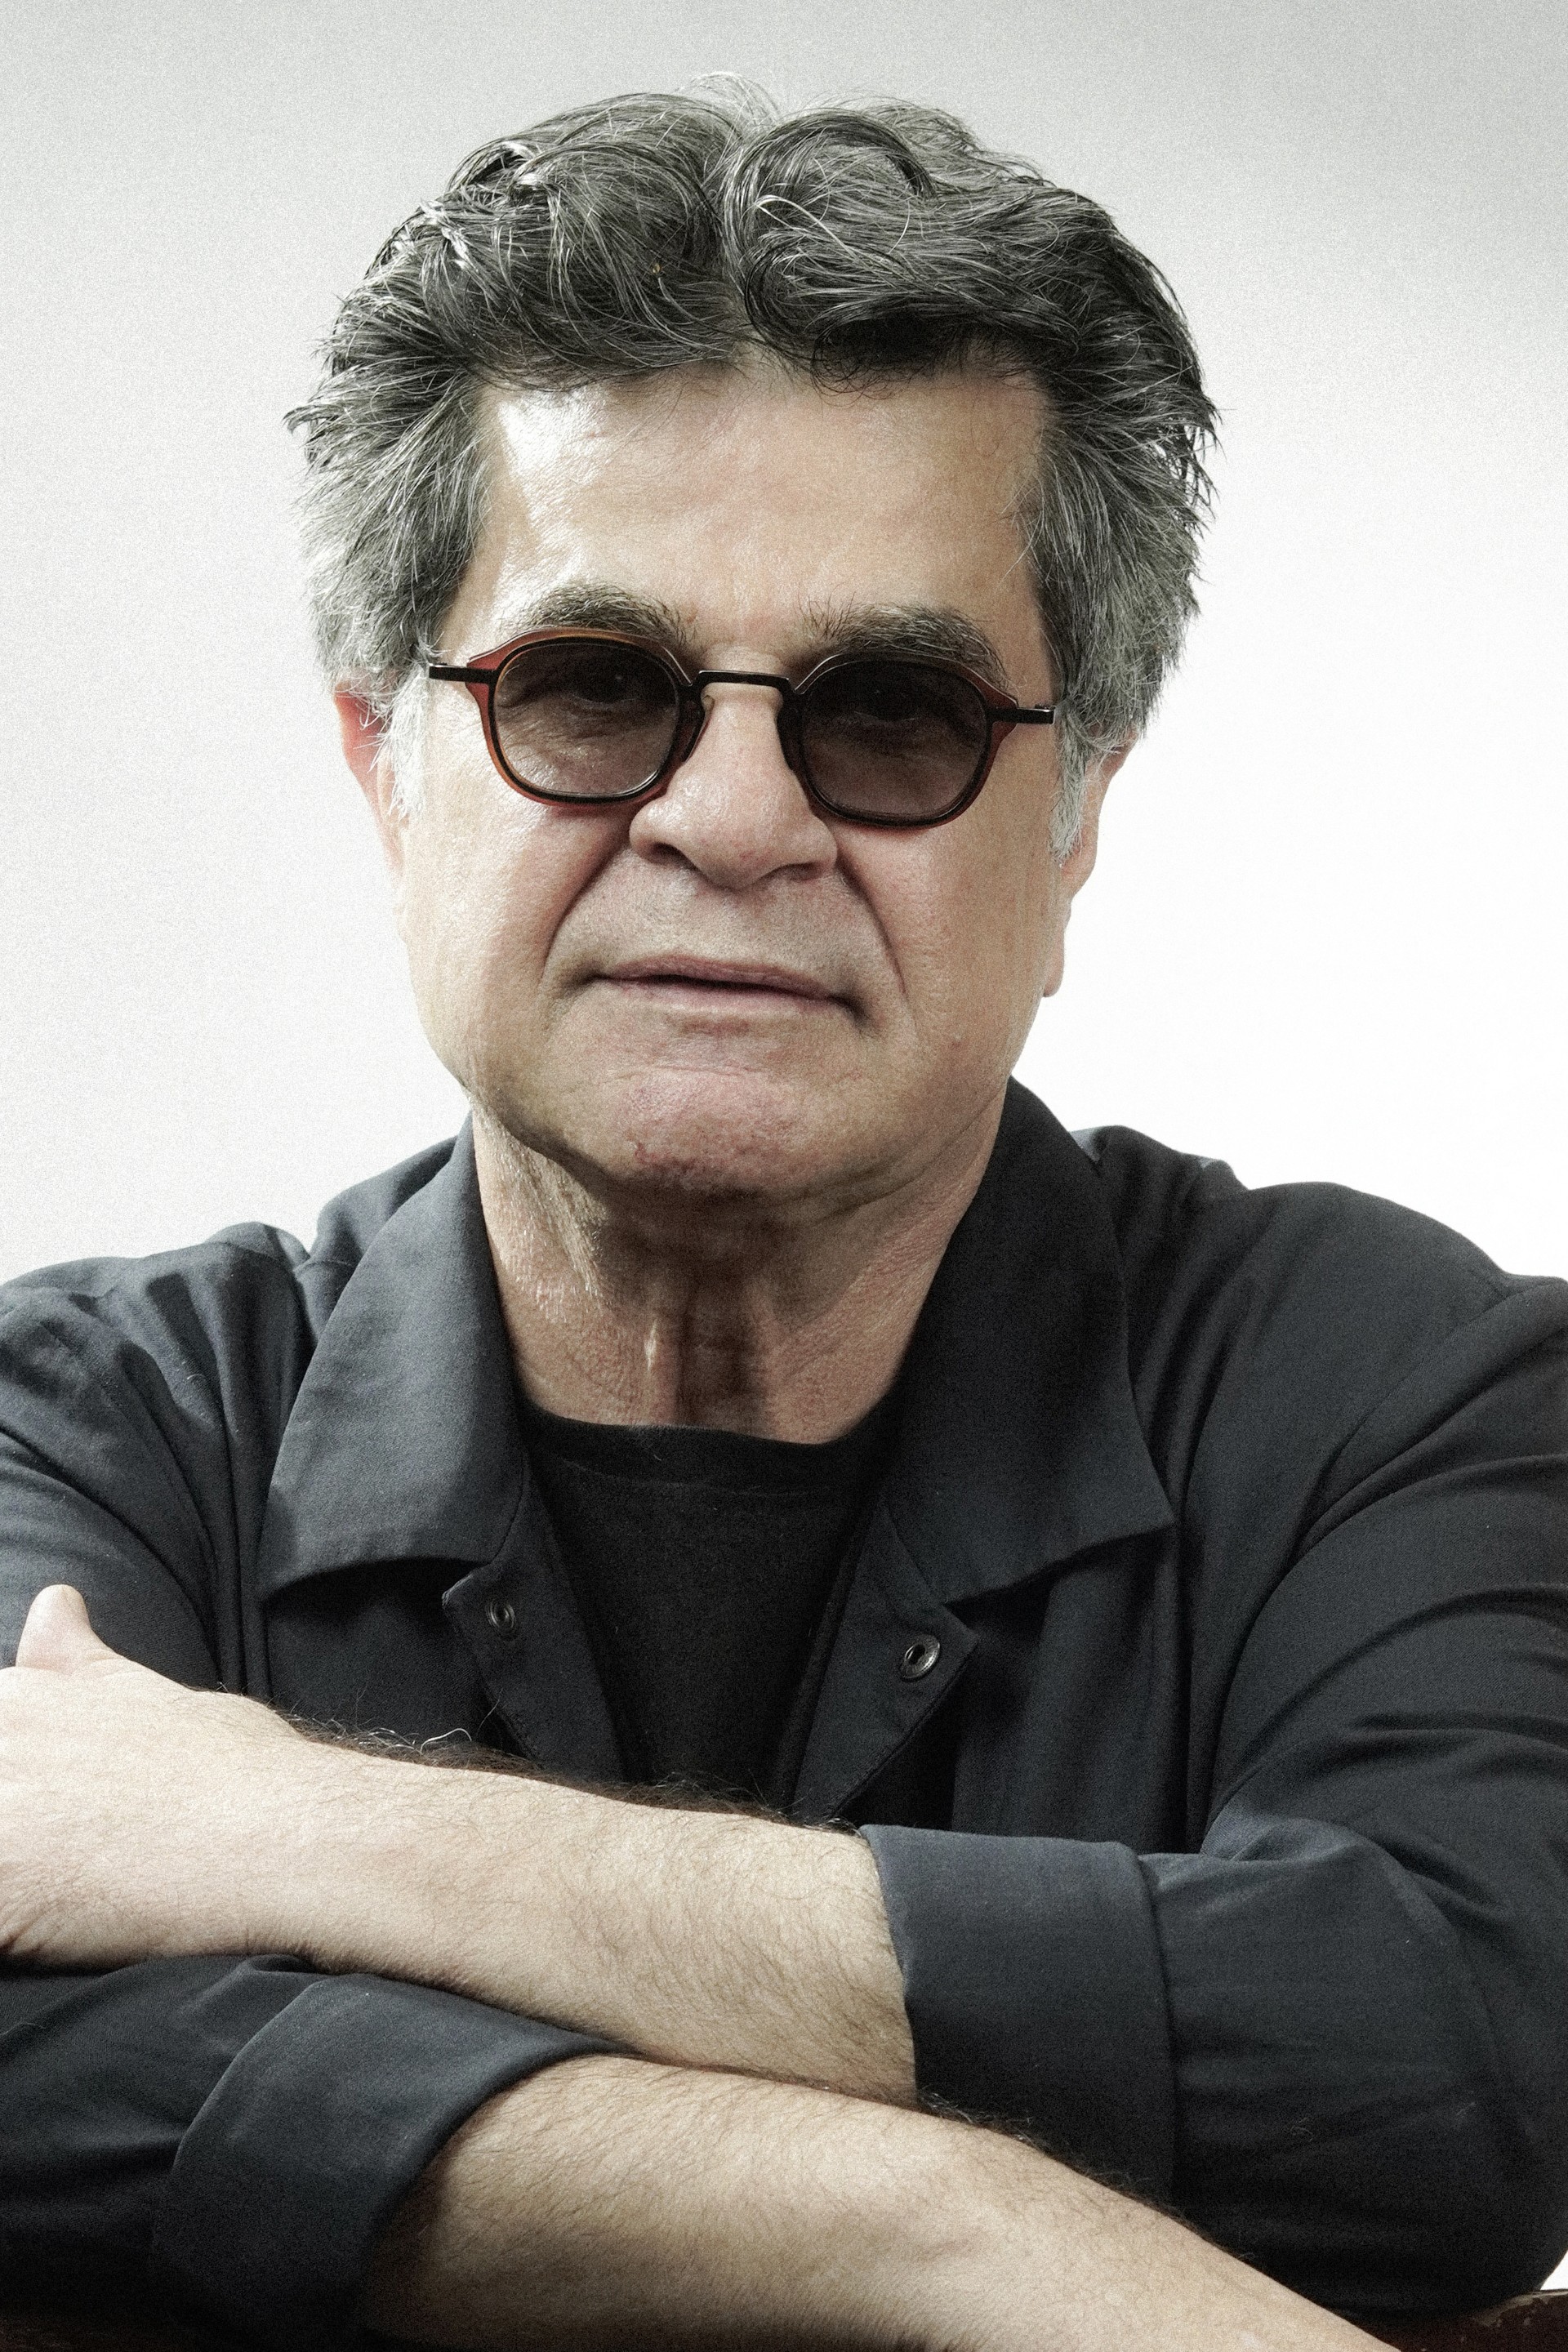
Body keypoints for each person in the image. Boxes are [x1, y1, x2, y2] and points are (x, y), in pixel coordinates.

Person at [0, 86, 1564, 2352]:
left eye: (894, 713)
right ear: (385, 769)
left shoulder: (1405, 1398)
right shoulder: (78, 1429)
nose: (732, 822)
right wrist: (959, 2233)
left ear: (1078, 816)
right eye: (592, 691)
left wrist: (299, 1833)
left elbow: (1443, 2065)